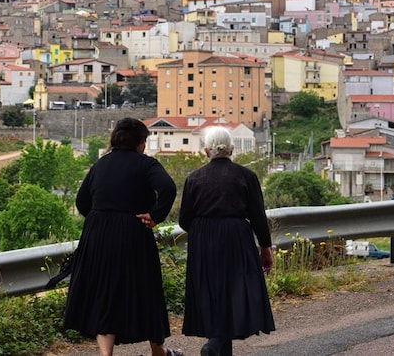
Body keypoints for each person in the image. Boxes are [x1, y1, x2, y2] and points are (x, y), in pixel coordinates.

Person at [62, 118, 182, 356]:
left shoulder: (100, 164)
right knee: (145, 289)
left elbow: (82, 202)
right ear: (140, 142)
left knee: (104, 292)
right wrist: (155, 216)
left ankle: (106, 354)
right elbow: (168, 188)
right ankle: (158, 350)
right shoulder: (146, 164)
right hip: (133, 231)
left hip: (97, 234)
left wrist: (102, 218)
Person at [179, 126, 275, 356]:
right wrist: (265, 247)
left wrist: (202, 229)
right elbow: (258, 217)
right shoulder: (246, 176)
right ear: (232, 150)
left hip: (203, 238)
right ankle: (215, 343)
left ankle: (216, 342)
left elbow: (184, 220)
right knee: (234, 290)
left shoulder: (194, 178)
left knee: (211, 291)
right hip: (236, 236)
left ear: (206, 151)